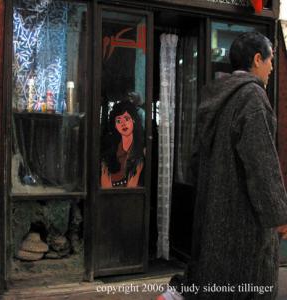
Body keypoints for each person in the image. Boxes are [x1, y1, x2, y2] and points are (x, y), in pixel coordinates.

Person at [158, 32, 287, 300]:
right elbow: (262, 164)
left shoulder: (214, 97)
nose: (272, 67)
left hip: (213, 216)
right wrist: (280, 215)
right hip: (243, 224)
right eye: (271, 59)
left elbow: (195, 160)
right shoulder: (252, 96)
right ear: (257, 59)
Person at [101, 100, 144, 188]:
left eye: (126, 119)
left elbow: (132, 188)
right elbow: (104, 184)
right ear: (115, 126)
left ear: (134, 120)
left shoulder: (140, 152)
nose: (123, 124)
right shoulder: (111, 150)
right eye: (119, 121)